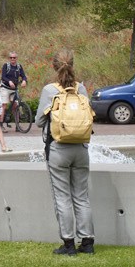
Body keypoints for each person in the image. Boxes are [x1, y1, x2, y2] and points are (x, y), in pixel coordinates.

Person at [36, 51, 92, 256]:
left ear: (54, 66)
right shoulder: (81, 88)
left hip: (58, 148)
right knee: (81, 196)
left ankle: (68, 244)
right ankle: (87, 242)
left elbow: (39, 121)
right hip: (81, 148)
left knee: (62, 197)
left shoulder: (49, 90)